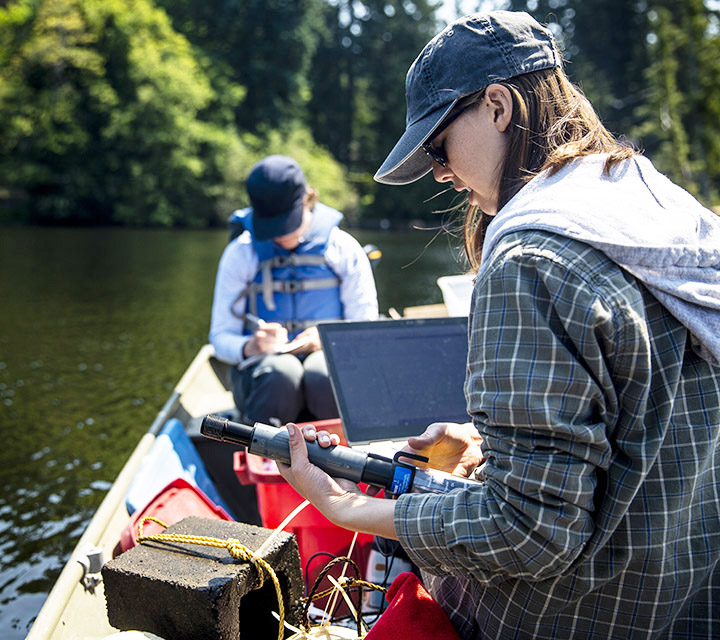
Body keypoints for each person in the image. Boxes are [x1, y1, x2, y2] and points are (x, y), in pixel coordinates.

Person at [276, 10, 720, 639]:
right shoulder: (658, 209)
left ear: (497, 106)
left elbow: (530, 533)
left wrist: (348, 506)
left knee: (399, 542)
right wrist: (494, 449)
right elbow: (642, 433)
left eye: (438, 145)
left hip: (579, 616)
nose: (440, 172)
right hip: (690, 601)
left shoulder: (529, 264)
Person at [209, 154, 378, 425]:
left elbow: (365, 329)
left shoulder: (343, 248)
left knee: (322, 373)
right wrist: (251, 346)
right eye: (271, 228)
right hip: (265, 374)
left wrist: (327, 339)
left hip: (327, 367)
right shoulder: (240, 253)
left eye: (286, 224)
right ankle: (266, 458)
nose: (279, 235)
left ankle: (339, 458)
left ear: (306, 200)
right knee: (280, 372)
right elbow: (220, 337)